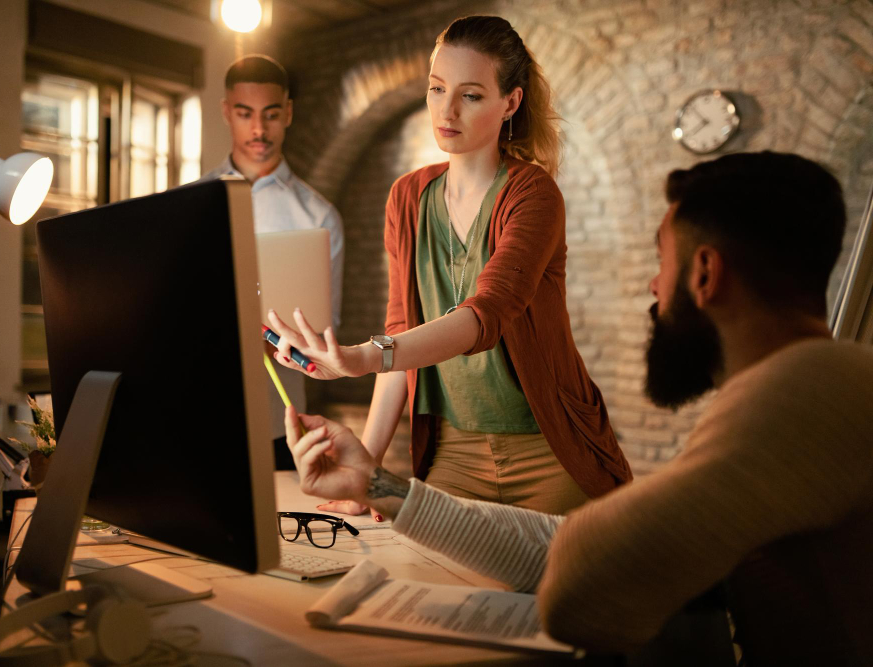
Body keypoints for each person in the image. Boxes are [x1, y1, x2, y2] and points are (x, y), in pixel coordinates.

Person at [282, 151, 873, 665]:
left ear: (705, 274)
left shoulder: (802, 396)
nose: (653, 286)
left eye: (660, 262)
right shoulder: (822, 381)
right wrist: (378, 486)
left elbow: (580, 593)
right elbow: (574, 544)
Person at [266, 16, 631, 516]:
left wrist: (363, 357)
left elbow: (486, 314)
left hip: (549, 450)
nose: (447, 109)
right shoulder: (407, 197)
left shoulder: (533, 193)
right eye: (437, 89)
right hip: (453, 456)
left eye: (471, 95)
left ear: (511, 103)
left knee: (565, 569)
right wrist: (365, 470)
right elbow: (400, 335)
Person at [204, 54, 344, 470]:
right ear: (226, 112)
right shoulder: (190, 203)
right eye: (245, 114)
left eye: (270, 114)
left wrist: (266, 334)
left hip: (276, 426)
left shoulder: (319, 217)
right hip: (199, 415)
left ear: (288, 113)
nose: (259, 130)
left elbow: (324, 335)